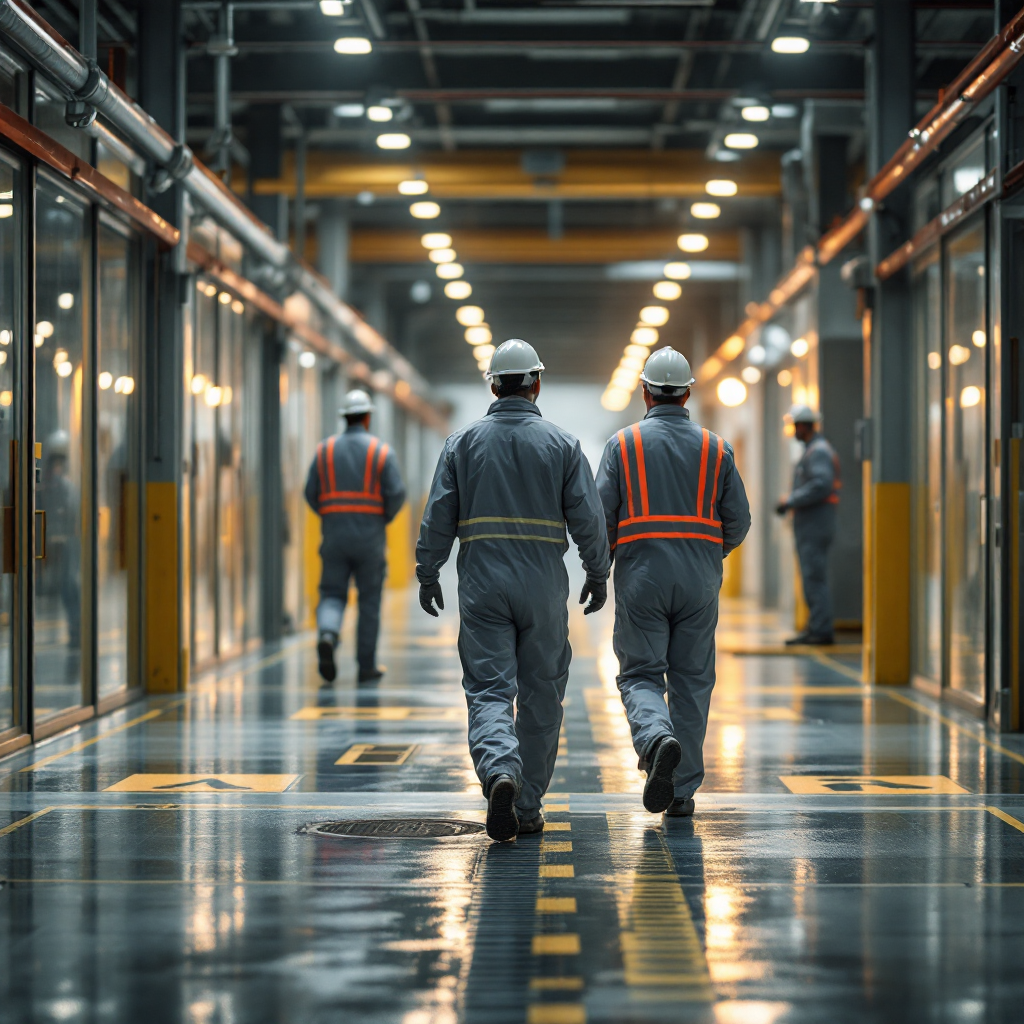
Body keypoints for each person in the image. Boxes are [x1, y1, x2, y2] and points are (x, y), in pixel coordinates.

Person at [416, 339, 610, 842]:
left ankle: (500, 769)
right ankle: (526, 804)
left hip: (482, 584)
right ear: (536, 383)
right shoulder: (563, 445)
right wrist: (597, 571)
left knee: (488, 688)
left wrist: (428, 570)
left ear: (493, 384)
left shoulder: (462, 443)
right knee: (543, 692)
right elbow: (588, 519)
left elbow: (438, 514)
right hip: (543, 587)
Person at [596, 347, 750, 818]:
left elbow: (600, 518)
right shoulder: (715, 448)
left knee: (642, 673)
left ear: (644, 391)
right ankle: (681, 791)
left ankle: (656, 739)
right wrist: (709, 554)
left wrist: (598, 569)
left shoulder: (622, 446)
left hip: (642, 577)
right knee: (692, 681)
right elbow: (738, 521)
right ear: (687, 393)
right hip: (699, 580)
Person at [305, 389, 406, 683]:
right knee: (369, 602)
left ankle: (328, 633)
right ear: (367, 417)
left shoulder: (324, 451)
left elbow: (310, 493)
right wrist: (380, 518)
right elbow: (397, 494)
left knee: (332, 594)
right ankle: (366, 666)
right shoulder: (381, 452)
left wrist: (330, 514)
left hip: (334, 537)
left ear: (344, 418)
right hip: (370, 540)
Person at [774, 404, 840, 646]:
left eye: (795, 426)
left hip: (815, 526)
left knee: (814, 576)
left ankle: (821, 630)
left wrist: (790, 500)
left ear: (803, 425)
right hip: (812, 525)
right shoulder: (813, 450)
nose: (793, 431)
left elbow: (822, 484)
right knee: (812, 576)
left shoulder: (818, 451)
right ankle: (816, 626)